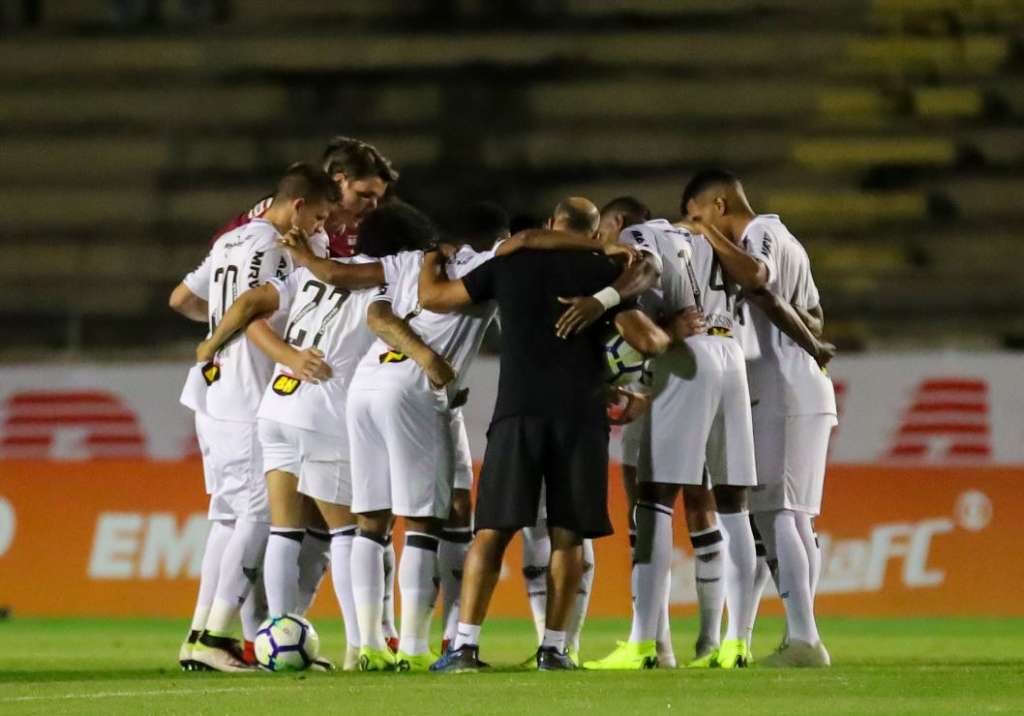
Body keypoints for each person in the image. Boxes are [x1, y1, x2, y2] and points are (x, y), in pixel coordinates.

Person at [420, 197, 667, 672]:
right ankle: (554, 648)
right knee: (568, 535)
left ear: (554, 223)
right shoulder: (602, 272)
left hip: (518, 412)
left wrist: (431, 253)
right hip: (581, 415)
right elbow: (647, 341)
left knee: (491, 532)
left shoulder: (511, 263)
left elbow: (435, 297)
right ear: (592, 230)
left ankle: (465, 646)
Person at [191, 202, 438, 671]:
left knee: (285, 529)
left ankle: (276, 639)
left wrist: (261, 351)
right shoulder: (392, 277)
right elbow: (385, 322)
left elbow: (250, 311)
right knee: (349, 531)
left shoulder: (310, 273)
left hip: (277, 407)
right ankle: (358, 647)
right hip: (326, 410)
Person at [168, 162, 337, 672]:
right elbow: (254, 303)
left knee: (226, 517)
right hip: (244, 394)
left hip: (212, 393)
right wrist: (224, 339)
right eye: (321, 218)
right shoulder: (273, 246)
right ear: (299, 206)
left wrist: (216, 327)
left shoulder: (231, 239)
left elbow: (181, 298)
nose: (321, 230)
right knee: (261, 514)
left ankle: (201, 635)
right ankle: (216, 636)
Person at [681, 169, 837, 667]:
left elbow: (757, 278)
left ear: (720, 206)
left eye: (699, 216)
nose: (696, 227)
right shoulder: (791, 241)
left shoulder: (760, 234)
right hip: (800, 387)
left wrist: (704, 235)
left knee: (777, 513)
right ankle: (801, 635)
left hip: (784, 390)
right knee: (794, 515)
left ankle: (805, 640)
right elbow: (812, 316)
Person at [211, 136, 398, 259]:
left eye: (377, 198)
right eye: (364, 195)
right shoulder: (285, 213)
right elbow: (221, 251)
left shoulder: (364, 226)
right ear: (339, 181)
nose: (373, 206)